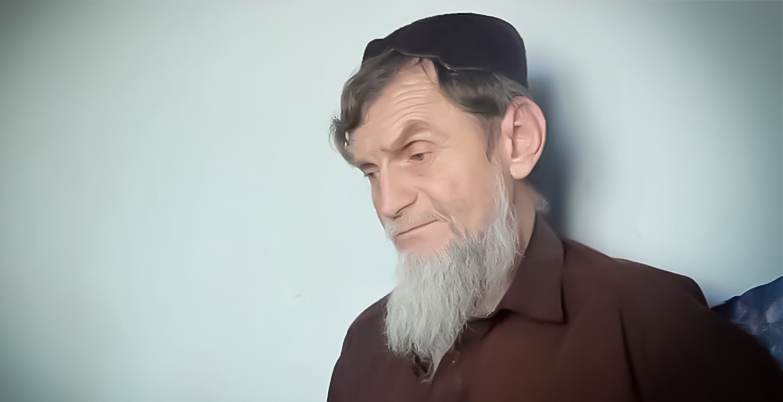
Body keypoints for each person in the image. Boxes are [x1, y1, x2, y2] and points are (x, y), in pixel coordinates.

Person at [326, 13, 783, 402]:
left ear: (518, 139)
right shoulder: (364, 345)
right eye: (371, 172)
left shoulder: (655, 328)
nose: (387, 203)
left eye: (418, 153)